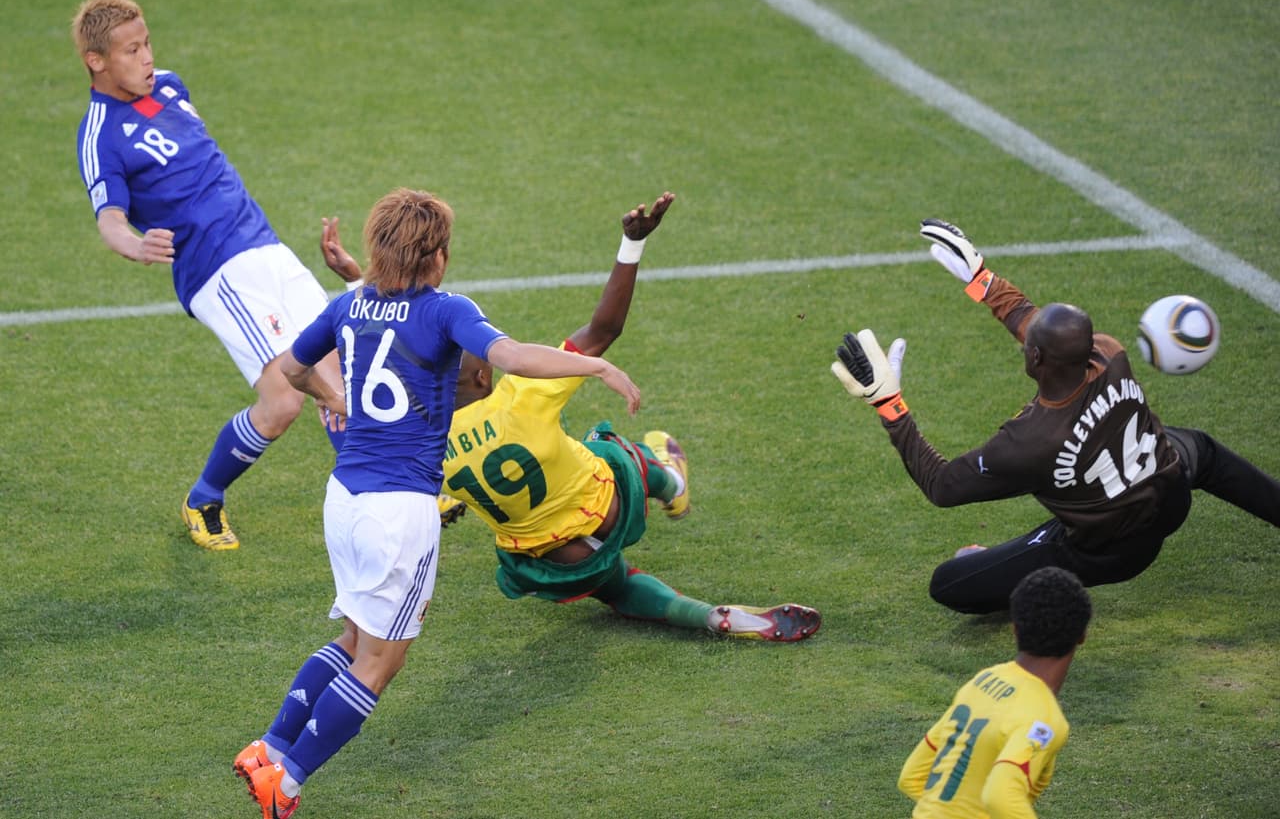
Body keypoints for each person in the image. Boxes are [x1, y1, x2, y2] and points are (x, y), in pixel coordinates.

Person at [232, 188, 641, 819]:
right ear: (439, 257)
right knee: (379, 662)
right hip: (399, 512)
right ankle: (286, 782)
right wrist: (595, 369)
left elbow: (289, 369)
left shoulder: (349, 305)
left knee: (353, 637)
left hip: (344, 499)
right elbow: (510, 357)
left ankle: (271, 747)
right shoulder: (448, 310)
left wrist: (338, 400)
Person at [321, 192, 822, 641]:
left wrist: (357, 283)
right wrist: (632, 244)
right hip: (611, 510)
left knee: (616, 585)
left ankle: (706, 616)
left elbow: (385, 348)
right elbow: (604, 328)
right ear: (483, 376)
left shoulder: (421, 442)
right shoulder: (522, 393)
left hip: (555, 563)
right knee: (609, 448)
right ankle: (670, 484)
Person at [830, 218, 1280, 614]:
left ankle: (1023, 562)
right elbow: (1036, 325)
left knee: (951, 581)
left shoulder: (1030, 442)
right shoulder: (1108, 353)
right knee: (1202, 451)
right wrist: (983, 281)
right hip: (1170, 491)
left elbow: (943, 486)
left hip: (1114, 549)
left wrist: (890, 406)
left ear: (1035, 359)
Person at [72, 0, 347, 550]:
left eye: (147, 43)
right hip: (217, 271)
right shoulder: (101, 135)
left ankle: (379, 486)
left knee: (338, 365)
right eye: (131, 50)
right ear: (96, 61)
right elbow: (109, 220)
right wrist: (135, 246)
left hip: (263, 243)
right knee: (285, 400)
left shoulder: (171, 86)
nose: (147, 57)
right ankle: (203, 498)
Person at [897, 566, 1092, 817]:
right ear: (1082, 635)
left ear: (1015, 629)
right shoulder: (1043, 718)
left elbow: (912, 776)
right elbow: (1000, 797)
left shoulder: (983, 681)